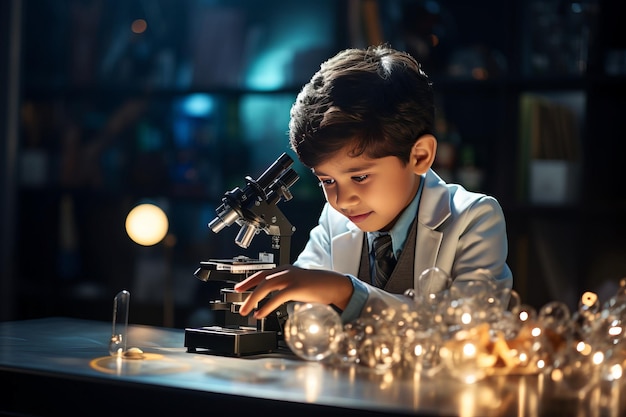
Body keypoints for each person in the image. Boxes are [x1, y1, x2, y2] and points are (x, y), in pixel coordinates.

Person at [235, 44, 513, 324]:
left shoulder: (475, 218)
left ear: (420, 156)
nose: (342, 200)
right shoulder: (335, 220)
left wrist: (348, 294)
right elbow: (305, 312)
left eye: (360, 177)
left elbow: (470, 329)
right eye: (327, 181)